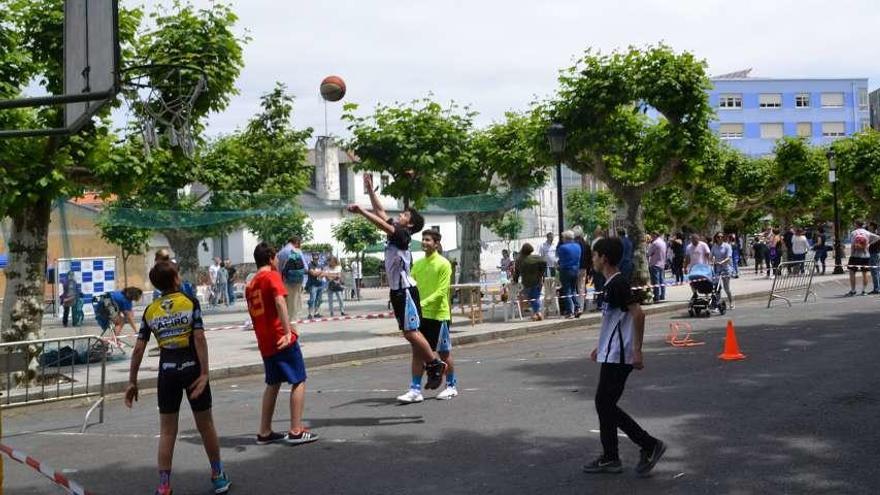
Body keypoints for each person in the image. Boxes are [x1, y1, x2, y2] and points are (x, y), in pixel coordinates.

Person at [124, 262, 231, 495]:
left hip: (168, 371)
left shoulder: (151, 310)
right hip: (192, 368)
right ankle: (218, 476)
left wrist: (132, 381)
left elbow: (138, 349)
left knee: (168, 431)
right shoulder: (190, 303)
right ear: (174, 279)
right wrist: (204, 373)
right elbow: (200, 338)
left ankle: (164, 486)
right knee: (206, 425)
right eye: (178, 273)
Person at [347, 173, 447, 392]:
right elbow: (382, 214)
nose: (399, 215)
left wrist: (361, 211)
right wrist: (371, 190)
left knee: (411, 333)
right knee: (410, 334)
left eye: (403, 214)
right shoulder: (398, 231)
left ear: (409, 223)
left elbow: (382, 224)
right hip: (397, 291)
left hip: (406, 291)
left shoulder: (402, 234)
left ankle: (434, 363)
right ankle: (427, 369)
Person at [583, 237, 666, 475]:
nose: (593, 259)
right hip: (612, 353)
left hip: (621, 355)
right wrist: (602, 346)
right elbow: (616, 320)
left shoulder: (618, 283)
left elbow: (638, 315)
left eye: (595, 255)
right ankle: (611, 457)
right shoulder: (611, 283)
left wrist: (637, 350)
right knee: (604, 404)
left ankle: (648, 445)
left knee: (605, 404)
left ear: (604, 258)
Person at [245, 242, 319, 446]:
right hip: (279, 336)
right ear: (270, 258)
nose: (278, 260)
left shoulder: (251, 284)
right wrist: (288, 331)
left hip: (265, 340)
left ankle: (264, 431)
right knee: (299, 379)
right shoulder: (271, 276)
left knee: (273, 383)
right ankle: (296, 429)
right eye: (276, 257)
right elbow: (280, 302)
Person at [401, 229, 458, 402]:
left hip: (439, 316)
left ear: (436, 243)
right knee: (418, 352)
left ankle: (451, 386)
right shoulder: (418, 264)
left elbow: (442, 292)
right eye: (423, 240)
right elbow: (410, 284)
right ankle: (415, 390)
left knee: (444, 353)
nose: (424, 243)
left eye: (428, 240)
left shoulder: (443, 264)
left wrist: (421, 304)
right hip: (421, 316)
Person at [512, 243, 547, 321]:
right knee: (535, 297)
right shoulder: (537, 258)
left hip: (527, 282)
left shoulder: (519, 260)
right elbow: (544, 263)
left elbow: (516, 272)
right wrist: (541, 274)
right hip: (538, 281)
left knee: (531, 297)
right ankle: (537, 313)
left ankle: (536, 313)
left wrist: (515, 280)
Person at [846, 220, 880, 296]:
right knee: (864, 273)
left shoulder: (854, 233)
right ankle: (864, 291)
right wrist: (868, 244)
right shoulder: (867, 232)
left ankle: (853, 290)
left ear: (856, 225)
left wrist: (851, 253)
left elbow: (852, 245)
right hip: (866, 255)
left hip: (855, 255)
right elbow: (878, 237)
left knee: (852, 273)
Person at [276, 236, 306, 320]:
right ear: (297, 242)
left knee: (287, 303)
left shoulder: (281, 252)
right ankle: (292, 323)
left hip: (285, 281)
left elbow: (279, 269)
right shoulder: (298, 251)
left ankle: (286, 320)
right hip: (297, 282)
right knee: (294, 304)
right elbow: (305, 268)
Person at [556, 230, 582, 318]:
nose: (562, 239)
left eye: (563, 238)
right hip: (576, 269)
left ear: (566, 238)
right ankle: (577, 308)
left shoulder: (562, 248)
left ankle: (569, 311)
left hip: (565, 270)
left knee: (567, 290)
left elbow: (560, 258)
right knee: (573, 289)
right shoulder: (578, 246)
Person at [711, 232, 734, 309]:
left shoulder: (727, 246)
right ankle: (718, 304)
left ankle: (731, 302)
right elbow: (711, 256)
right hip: (717, 268)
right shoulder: (714, 246)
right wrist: (713, 261)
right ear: (716, 238)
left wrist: (722, 262)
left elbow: (729, 257)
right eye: (718, 237)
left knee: (726, 288)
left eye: (721, 237)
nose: (720, 238)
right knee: (717, 287)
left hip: (726, 268)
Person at [575, 227, 593, 311]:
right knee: (581, 287)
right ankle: (581, 307)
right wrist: (589, 271)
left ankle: (576, 306)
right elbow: (589, 259)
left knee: (574, 288)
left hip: (575, 268)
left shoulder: (574, 244)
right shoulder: (586, 245)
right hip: (584, 268)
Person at [647, 232, 667, 303]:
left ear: (655, 235)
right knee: (662, 280)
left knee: (656, 281)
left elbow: (649, 253)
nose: (651, 237)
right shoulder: (663, 242)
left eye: (652, 235)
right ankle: (663, 295)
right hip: (662, 264)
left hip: (654, 264)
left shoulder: (655, 243)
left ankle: (657, 296)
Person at [305, 254, 325, 319]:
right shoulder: (310, 265)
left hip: (320, 284)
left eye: (317, 259)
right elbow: (313, 274)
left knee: (319, 300)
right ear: (312, 259)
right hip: (313, 285)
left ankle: (316, 312)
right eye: (314, 259)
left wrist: (319, 273)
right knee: (312, 299)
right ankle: (310, 313)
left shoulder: (320, 265)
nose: (316, 260)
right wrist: (320, 272)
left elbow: (323, 273)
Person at [868, 222, 880, 294]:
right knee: (877, 271)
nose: (868, 227)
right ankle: (877, 288)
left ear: (872, 226)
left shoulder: (875, 235)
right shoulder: (876, 234)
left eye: (869, 226)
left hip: (874, 254)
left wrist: (869, 243)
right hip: (876, 253)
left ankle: (876, 289)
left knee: (874, 272)